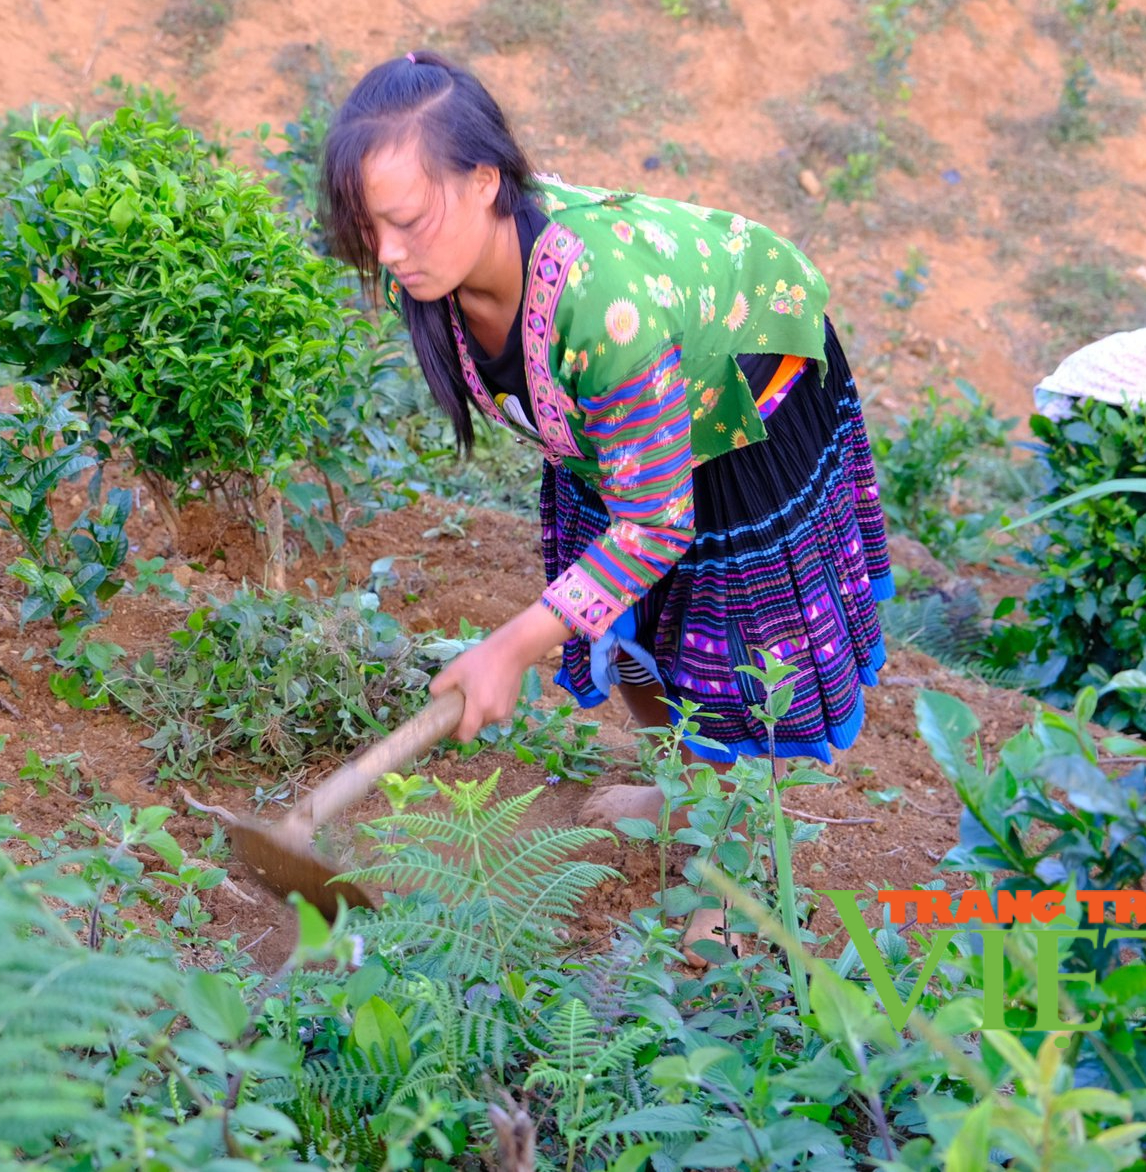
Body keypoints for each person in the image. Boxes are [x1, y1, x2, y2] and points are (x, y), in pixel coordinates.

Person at [318, 50, 894, 966]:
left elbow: (657, 525)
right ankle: (678, 787)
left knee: (725, 651)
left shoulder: (601, 305)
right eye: (369, 230)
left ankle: (733, 871)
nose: (388, 254)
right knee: (626, 622)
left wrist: (508, 647)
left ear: (484, 181)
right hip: (626, 425)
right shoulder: (441, 270)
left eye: (406, 222)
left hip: (748, 380)